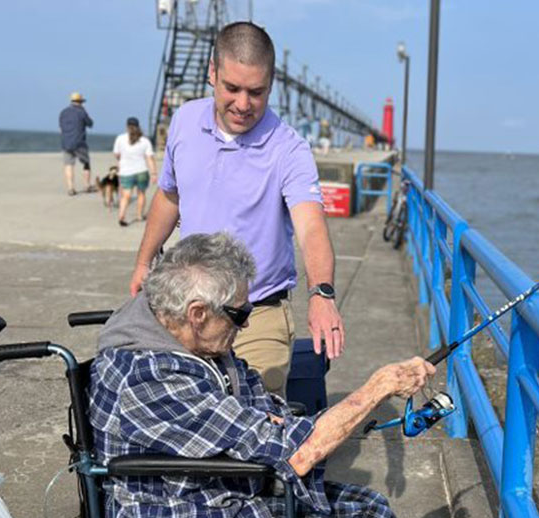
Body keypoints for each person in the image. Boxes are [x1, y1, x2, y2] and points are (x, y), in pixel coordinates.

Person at [92, 233, 446, 518]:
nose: (245, 326)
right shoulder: (152, 374)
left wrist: (278, 429)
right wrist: (377, 388)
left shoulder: (187, 339)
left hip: (210, 494)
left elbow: (264, 410)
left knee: (371, 509)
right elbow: (296, 454)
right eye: (240, 314)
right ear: (196, 313)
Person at [128, 21, 343, 398]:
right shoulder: (183, 122)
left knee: (254, 428)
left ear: (271, 84)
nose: (243, 104)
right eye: (232, 88)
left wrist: (321, 294)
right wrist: (144, 262)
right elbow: (170, 196)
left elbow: (311, 228)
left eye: (256, 92)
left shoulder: (289, 149)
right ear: (212, 73)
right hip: (187, 310)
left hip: (255, 314)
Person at [112, 117, 157, 227]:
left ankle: (121, 215)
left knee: (126, 195)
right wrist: (154, 173)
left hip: (126, 172)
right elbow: (149, 158)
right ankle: (139, 215)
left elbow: (117, 155)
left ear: (127, 126)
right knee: (141, 194)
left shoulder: (120, 139)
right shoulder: (145, 141)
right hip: (141, 171)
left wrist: (122, 159)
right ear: (138, 126)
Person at [59, 91, 95, 196]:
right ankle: (87, 185)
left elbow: (61, 128)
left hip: (66, 142)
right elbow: (90, 123)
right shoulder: (82, 112)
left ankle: (71, 188)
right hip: (79, 142)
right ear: (80, 102)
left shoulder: (63, 112)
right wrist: (85, 113)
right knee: (86, 163)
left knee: (68, 165)